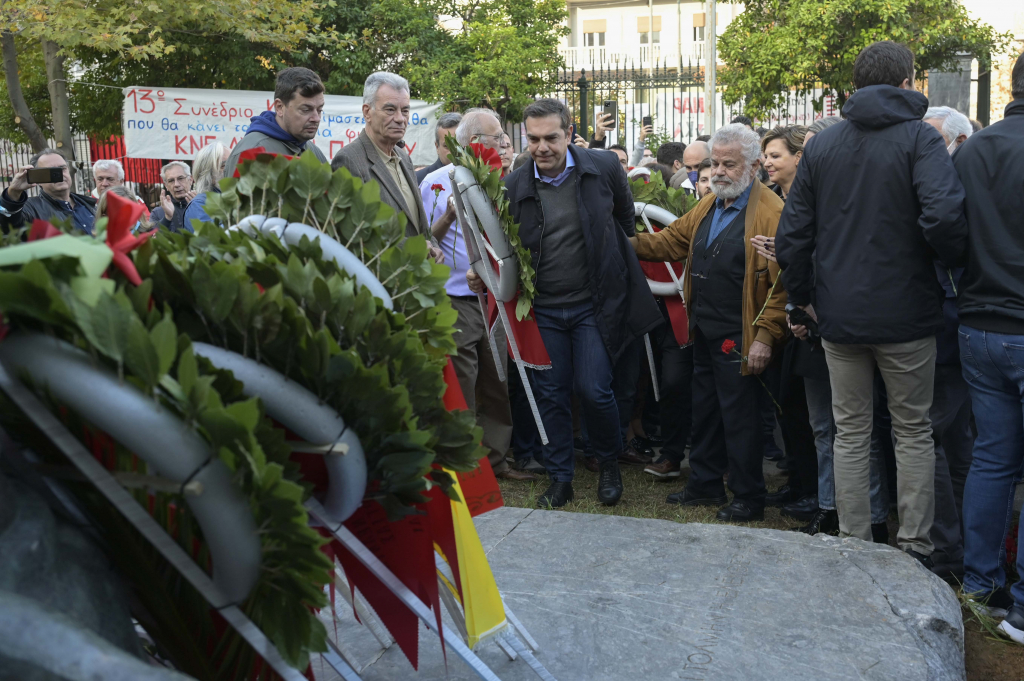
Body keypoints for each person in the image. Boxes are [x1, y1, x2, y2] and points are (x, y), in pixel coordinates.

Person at [775, 41, 968, 565]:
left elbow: (794, 235)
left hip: (839, 314)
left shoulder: (824, 145)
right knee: (912, 431)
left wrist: (803, 300)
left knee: (851, 431)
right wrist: (943, 264)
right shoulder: (919, 141)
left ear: (856, 84)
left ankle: (855, 545)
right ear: (907, 82)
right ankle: (914, 546)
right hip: (907, 313)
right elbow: (946, 218)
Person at [467, 98, 662, 508]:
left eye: (551, 138)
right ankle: (560, 478)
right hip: (544, 310)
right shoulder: (513, 185)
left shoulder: (604, 167)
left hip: (595, 306)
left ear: (570, 134)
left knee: (594, 390)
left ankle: (608, 464)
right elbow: (501, 248)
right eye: (533, 139)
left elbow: (624, 223)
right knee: (551, 394)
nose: (542, 147)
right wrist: (481, 272)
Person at [631, 123, 788, 521]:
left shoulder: (772, 213)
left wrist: (765, 337)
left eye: (728, 164)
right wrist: (623, 243)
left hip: (742, 333)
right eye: (713, 163)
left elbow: (784, 284)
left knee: (741, 418)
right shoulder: (711, 203)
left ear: (754, 166)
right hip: (704, 327)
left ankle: (748, 497)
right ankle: (703, 484)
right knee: (705, 409)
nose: (717, 172)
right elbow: (672, 241)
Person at [951, 50, 1024, 641]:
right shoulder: (976, 146)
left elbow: (947, 229)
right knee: (995, 458)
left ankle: (980, 584)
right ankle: (1016, 599)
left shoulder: (975, 148)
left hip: (980, 323)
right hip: (1005, 322)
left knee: (993, 458)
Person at [419, 110, 532, 482]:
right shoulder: (436, 182)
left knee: (497, 383)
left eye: (502, 137)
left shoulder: (504, 181)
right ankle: (463, 468)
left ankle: (496, 461)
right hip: (456, 301)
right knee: (463, 385)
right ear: (471, 143)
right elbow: (424, 241)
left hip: (495, 300)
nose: (503, 143)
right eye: (495, 137)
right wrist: (450, 217)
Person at [331, 72, 443, 262]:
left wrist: (434, 246)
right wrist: (411, 248)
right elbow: (352, 235)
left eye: (405, 110)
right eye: (390, 110)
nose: (400, 118)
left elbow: (417, 225)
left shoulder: (403, 157)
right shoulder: (349, 160)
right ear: (367, 112)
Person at [226, 67, 328, 174]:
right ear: (279, 107)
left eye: (319, 110)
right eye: (306, 110)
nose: (316, 118)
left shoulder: (314, 153)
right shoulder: (251, 152)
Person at [1, 148, 96, 234]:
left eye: (62, 169)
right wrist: (13, 192)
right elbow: (9, 226)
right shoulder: (30, 208)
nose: (59, 175)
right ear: (38, 179)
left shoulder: (89, 204)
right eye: (51, 171)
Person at [182, 142, 229, 228]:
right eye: (224, 166)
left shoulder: (230, 199)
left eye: (232, 163)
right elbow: (215, 239)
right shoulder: (199, 206)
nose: (232, 168)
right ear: (209, 175)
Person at [149, 161, 196, 234]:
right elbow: (154, 241)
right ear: (166, 186)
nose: (176, 184)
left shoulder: (204, 206)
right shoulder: (157, 213)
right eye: (171, 181)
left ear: (191, 180)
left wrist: (199, 210)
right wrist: (167, 218)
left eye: (180, 178)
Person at [416, 112, 463, 183]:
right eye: (447, 146)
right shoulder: (419, 179)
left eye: (459, 145)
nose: (455, 151)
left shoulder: (478, 177)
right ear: (437, 146)